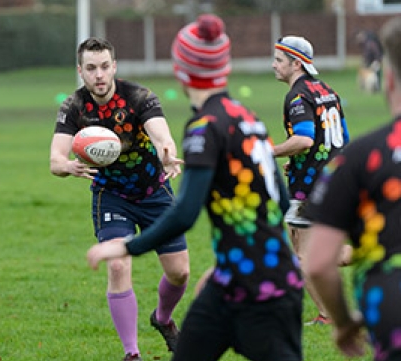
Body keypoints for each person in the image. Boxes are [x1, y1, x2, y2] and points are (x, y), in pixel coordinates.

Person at [87, 14, 304, 361]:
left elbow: (185, 212)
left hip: (262, 287)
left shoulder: (204, 126)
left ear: (182, 71)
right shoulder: (247, 116)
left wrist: (128, 247)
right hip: (238, 277)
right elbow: (278, 199)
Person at [50, 37, 190, 361]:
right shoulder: (74, 106)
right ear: (80, 71)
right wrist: (68, 166)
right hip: (111, 196)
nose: (98, 75)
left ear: (114, 67)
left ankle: (163, 319)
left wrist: (167, 153)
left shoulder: (139, 97)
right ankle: (132, 353)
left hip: (154, 191)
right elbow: (54, 159)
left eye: (103, 67)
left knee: (179, 272)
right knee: (117, 264)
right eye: (90, 68)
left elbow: (161, 135)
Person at [304, 16, 401, 360]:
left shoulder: (358, 157)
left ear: (388, 79)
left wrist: (344, 323)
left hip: (390, 306)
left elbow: (317, 262)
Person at [272, 35, 352, 325]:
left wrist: (272, 152)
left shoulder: (297, 96)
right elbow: (342, 137)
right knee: (308, 251)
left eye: (279, 60)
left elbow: (304, 139)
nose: (273, 65)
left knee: (303, 257)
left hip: (310, 187)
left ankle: (328, 315)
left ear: (296, 63)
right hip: (332, 178)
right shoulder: (326, 90)